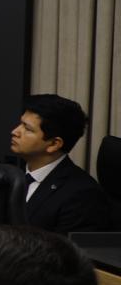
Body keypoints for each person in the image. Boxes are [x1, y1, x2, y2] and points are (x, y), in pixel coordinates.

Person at [10, 94, 111, 233]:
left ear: (53, 144)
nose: (15, 132)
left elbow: (66, 253)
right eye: (20, 124)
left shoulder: (82, 196)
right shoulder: (13, 175)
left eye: (27, 129)